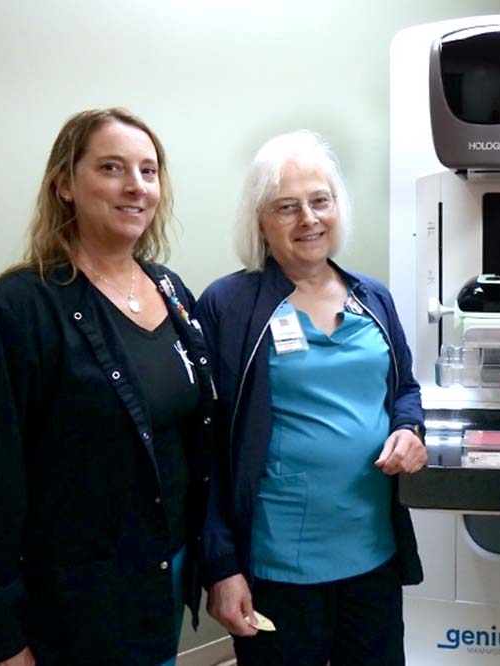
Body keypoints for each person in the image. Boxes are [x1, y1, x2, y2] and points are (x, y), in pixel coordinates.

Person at [0, 108, 214, 665]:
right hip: (73, 605)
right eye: (112, 167)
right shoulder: (12, 313)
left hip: (164, 573)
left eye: (148, 170)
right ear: (65, 183)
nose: (135, 186)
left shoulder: (171, 289)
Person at [195, 130, 426, 666]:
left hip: (372, 552)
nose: (309, 219)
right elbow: (204, 448)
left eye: (320, 201)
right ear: (260, 220)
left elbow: (406, 391)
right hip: (280, 563)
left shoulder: (372, 297)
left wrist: (408, 431)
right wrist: (222, 565)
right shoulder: (229, 306)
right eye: (287, 207)